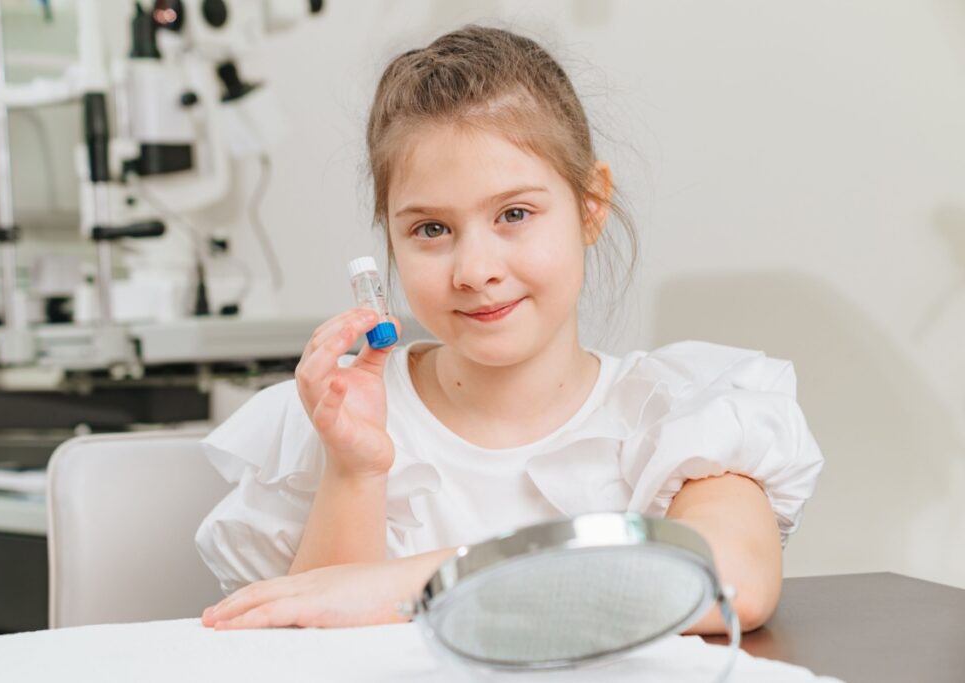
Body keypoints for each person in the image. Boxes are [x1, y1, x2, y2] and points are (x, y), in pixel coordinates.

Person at [196, 25, 823, 634]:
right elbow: (310, 629)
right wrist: (355, 472)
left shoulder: (681, 415)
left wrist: (412, 584)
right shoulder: (342, 424)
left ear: (590, 205)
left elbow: (729, 582)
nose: (475, 271)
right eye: (430, 230)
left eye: (514, 214)